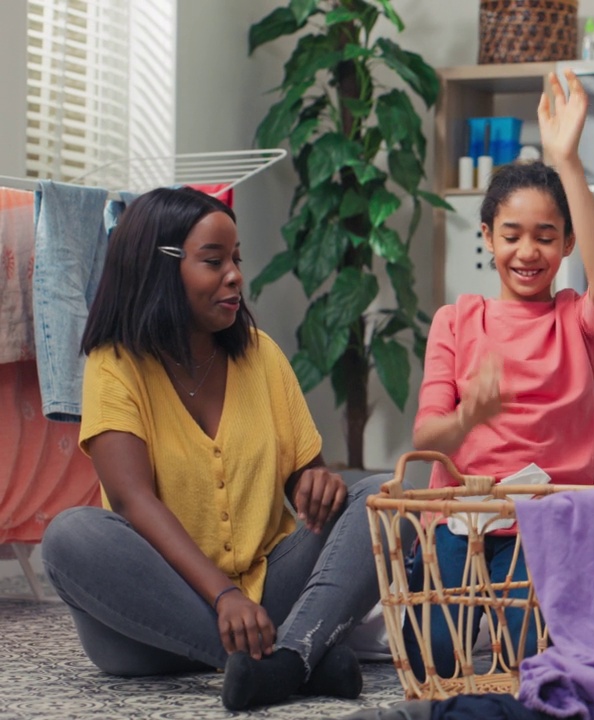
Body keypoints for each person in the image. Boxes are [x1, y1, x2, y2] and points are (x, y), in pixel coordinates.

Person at [39, 187, 385, 711]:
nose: (235, 276)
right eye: (214, 261)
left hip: (268, 595)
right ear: (160, 268)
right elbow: (132, 500)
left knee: (384, 495)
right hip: (150, 625)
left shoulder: (261, 355)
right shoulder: (114, 364)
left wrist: (319, 483)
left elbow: (307, 479)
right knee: (70, 535)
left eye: (236, 259)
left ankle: (281, 664)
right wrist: (223, 597)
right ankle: (293, 656)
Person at [409, 69, 594, 678]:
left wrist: (567, 159)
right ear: (487, 237)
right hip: (461, 515)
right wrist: (468, 418)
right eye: (512, 235)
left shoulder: (575, 322)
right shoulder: (457, 321)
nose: (527, 251)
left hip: (547, 521)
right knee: (437, 659)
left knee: (523, 658)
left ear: (566, 245)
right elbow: (427, 438)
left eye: (545, 236)